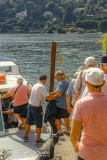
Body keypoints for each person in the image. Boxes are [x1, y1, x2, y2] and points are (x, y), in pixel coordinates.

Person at [70, 68, 107, 160]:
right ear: (103, 83)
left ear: (86, 83)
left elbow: (74, 135)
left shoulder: (80, 104)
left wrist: (76, 146)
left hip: (86, 153)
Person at [23, 74, 61, 144]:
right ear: (44, 80)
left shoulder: (35, 85)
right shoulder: (42, 87)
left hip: (30, 106)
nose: (45, 82)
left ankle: (25, 136)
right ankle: (38, 139)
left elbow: (43, 94)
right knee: (38, 124)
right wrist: (56, 95)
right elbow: (48, 98)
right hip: (36, 108)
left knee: (28, 122)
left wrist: (52, 93)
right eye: (45, 81)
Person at [55, 71, 70, 136]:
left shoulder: (61, 83)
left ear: (58, 76)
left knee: (57, 118)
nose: (56, 79)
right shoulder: (68, 81)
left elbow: (60, 92)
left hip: (60, 104)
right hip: (67, 103)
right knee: (66, 117)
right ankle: (67, 130)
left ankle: (59, 131)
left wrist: (54, 96)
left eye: (56, 77)